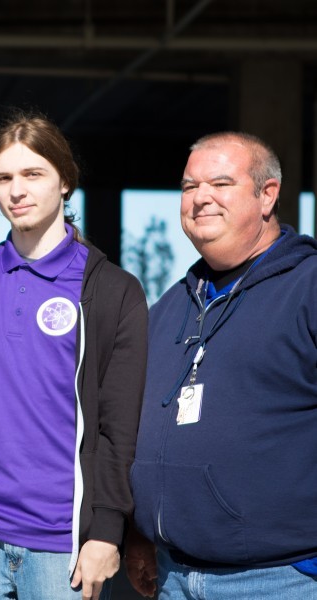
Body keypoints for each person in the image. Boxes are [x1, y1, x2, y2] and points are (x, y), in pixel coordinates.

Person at [0, 113, 148, 600]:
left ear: (65, 180)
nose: (16, 190)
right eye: (3, 178)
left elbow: (119, 427)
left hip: (62, 546)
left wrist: (107, 529)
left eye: (33, 174)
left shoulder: (112, 291)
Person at [125, 132, 317, 599]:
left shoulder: (307, 287)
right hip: (173, 575)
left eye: (220, 183)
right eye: (189, 187)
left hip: (280, 580)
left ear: (267, 194)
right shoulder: (171, 306)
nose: (200, 198)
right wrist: (138, 531)